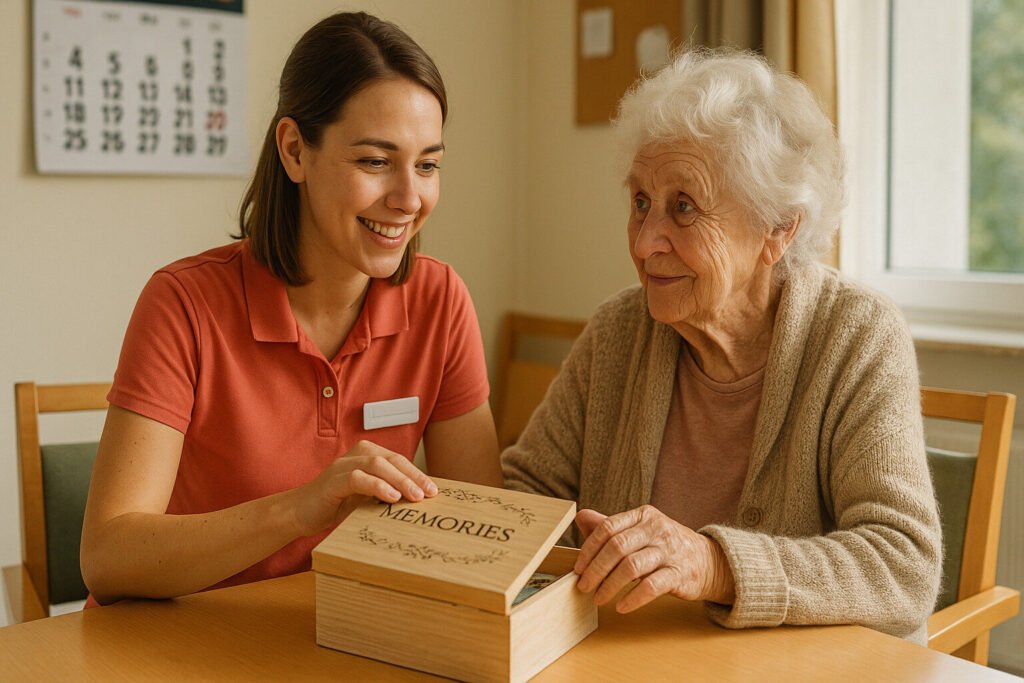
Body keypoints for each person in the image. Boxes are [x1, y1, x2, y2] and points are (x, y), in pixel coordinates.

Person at [502, 48, 942, 643]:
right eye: (639, 203)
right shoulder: (617, 333)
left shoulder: (857, 337)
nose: (645, 242)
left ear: (777, 229)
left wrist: (715, 565)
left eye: (683, 208)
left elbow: (903, 565)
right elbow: (526, 496)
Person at [81, 12, 502, 605]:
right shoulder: (183, 303)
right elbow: (108, 557)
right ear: (294, 151)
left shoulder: (440, 300)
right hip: (178, 645)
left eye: (428, 164)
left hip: (339, 639)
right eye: (375, 162)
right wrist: (298, 508)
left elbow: (483, 531)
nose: (410, 198)